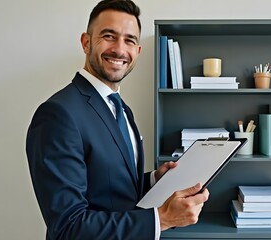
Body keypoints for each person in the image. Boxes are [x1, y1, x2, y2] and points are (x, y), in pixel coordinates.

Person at [26, 0, 209, 239]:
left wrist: (153, 180)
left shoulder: (121, 108)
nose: (120, 50)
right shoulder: (57, 114)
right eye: (109, 36)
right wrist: (161, 218)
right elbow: (67, 227)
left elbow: (109, 189)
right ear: (86, 42)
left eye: (130, 40)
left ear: (138, 51)